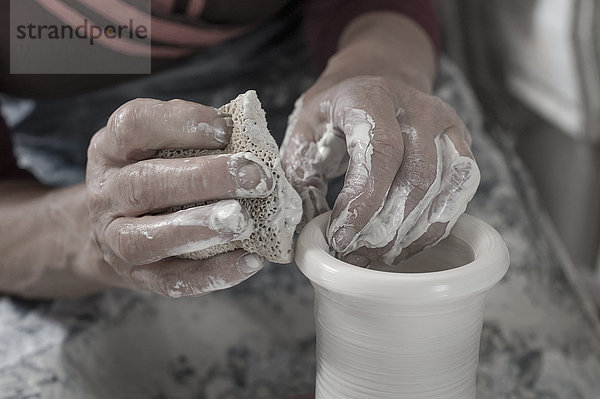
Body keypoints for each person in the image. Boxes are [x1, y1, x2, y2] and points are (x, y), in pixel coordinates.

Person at [0, 0, 477, 299]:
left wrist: (383, 67)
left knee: (433, 223)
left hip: (324, 70)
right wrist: (94, 234)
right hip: (64, 171)